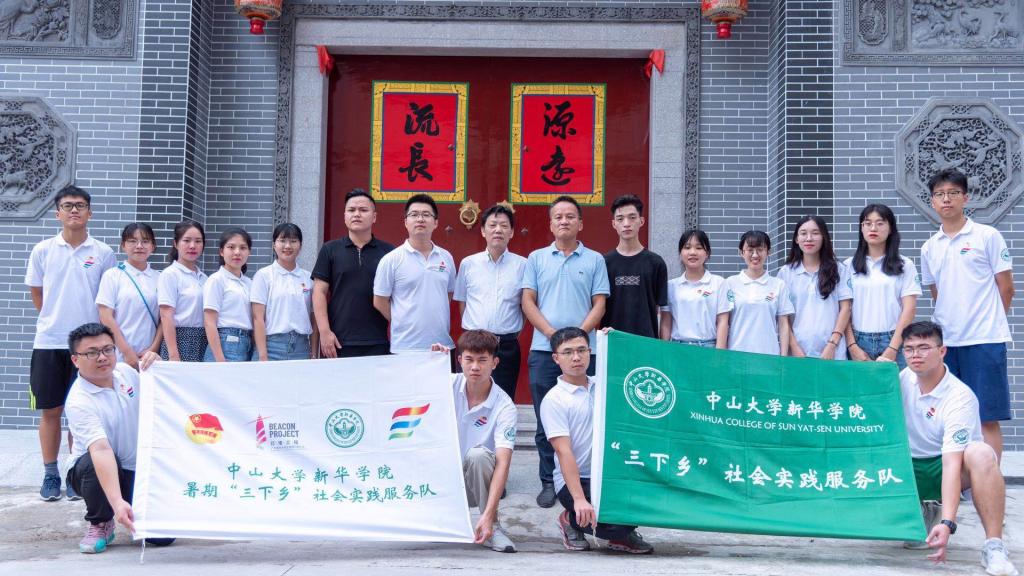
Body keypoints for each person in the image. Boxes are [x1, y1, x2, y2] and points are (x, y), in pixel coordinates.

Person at [897, 321, 1017, 576]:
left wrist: (948, 523)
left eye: (924, 348)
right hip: (908, 469)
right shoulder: (902, 379)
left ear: (942, 351)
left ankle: (994, 546)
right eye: (909, 349)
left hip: (942, 467)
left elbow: (952, 463)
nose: (915, 355)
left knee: (981, 453)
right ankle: (924, 509)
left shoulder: (960, 397)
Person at [26, 185, 116, 501]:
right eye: (67, 206)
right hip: (50, 342)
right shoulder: (42, 250)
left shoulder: (103, 252)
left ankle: (75, 472)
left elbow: (107, 298)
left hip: (89, 346)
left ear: (90, 212)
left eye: (80, 205)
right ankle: (51, 474)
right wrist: (55, 321)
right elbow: (38, 294)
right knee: (51, 410)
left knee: (83, 411)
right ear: (58, 213)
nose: (74, 210)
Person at [521, 195, 609, 508]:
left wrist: (577, 338)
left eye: (570, 216)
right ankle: (549, 480)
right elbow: (528, 301)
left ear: (580, 223)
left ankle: (589, 477)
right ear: (551, 224)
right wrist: (552, 335)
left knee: (589, 418)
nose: (564, 221)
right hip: (544, 350)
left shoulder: (595, 260)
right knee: (546, 420)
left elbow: (600, 303)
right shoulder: (536, 258)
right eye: (558, 216)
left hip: (585, 352)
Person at [920, 169, 1014, 460]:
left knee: (986, 416)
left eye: (953, 193)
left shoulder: (988, 236)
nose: (946, 199)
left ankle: (989, 479)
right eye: (939, 194)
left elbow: (1007, 288)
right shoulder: (929, 247)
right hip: (947, 343)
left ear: (965, 197)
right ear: (932, 201)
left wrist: (989, 321)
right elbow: (937, 292)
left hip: (984, 340)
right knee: (950, 414)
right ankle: (956, 479)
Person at [63, 323, 173, 553]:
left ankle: (128, 506)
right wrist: (117, 503)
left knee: (163, 537)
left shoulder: (126, 373)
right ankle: (100, 522)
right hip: (92, 469)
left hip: (133, 468)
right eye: (92, 353)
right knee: (93, 462)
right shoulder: (79, 401)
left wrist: (159, 366)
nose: (102, 357)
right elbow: (101, 450)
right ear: (75, 360)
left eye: (107, 349)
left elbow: (162, 395)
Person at [541, 327, 653, 554]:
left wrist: (617, 341)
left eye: (581, 350)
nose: (576, 357)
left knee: (647, 503)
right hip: (577, 479)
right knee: (610, 524)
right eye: (568, 352)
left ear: (590, 352)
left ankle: (621, 533)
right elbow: (564, 452)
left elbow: (636, 371)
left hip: (609, 474)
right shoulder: (554, 400)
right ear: (556, 358)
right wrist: (579, 499)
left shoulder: (604, 385)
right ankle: (570, 519)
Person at [431, 330, 518, 553]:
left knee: (478, 455)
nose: (475, 367)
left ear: (495, 363)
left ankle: (492, 526)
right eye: (469, 359)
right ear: (459, 360)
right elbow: (409, 387)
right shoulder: (445, 384)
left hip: (473, 483)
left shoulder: (504, 406)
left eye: (482, 360)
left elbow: (503, 463)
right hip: (441, 479)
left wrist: (488, 515)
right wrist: (431, 364)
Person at [453, 204, 527, 399]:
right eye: (492, 225)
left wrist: (509, 332)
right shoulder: (468, 264)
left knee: (503, 397)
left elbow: (525, 306)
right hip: (473, 344)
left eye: (504, 225)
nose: (498, 230)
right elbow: (462, 303)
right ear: (483, 231)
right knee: (468, 397)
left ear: (512, 232)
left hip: (507, 345)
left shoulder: (523, 265)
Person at [312, 189, 395, 358]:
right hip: (337, 342)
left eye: (363, 210)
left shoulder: (389, 252)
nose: (357, 214)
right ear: (345, 216)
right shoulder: (330, 249)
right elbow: (319, 292)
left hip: (378, 340)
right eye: (351, 210)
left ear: (374, 217)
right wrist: (325, 332)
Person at [373, 193, 457, 355]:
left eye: (426, 215)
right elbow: (379, 301)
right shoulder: (391, 259)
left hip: (442, 346)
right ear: (406, 222)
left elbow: (447, 294)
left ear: (436, 222)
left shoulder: (446, 257)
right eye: (414, 214)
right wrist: (402, 320)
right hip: (405, 347)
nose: (420, 219)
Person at [843, 204, 920, 369]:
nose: (873, 228)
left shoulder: (905, 264)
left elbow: (909, 309)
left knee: (896, 385)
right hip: (858, 341)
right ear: (861, 228)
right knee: (860, 386)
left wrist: (893, 348)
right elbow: (844, 310)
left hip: (894, 339)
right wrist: (852, 346)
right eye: (868, 223)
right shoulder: (848, 266)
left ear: (890, 228)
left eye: (880, 223)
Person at [778, 216, 852, 359]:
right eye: (803, 233)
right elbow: (783, 317)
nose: (809, 238)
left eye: (815, 233)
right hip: (798, 353)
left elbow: (846, 308)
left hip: (833, 352)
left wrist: (832, 345)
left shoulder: (839, 269)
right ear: (796, 239)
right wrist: (794, 347)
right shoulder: (786, 273)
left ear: (824, 237)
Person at [96, 223, 162, 370]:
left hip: (150, 358)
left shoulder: (160, 278)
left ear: (153, 246)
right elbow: (105, 316)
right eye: (132, 241)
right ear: (123, 246)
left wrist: (153, 349)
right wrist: (126, 352)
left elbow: (163, 319)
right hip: (118, 355)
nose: (139, 246)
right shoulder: (112, 275)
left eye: (145, 241)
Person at [600, 195, 667, 338]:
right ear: (614, 224)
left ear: (641, 221)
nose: (626, 223)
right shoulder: (603, 263)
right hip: (611, 339)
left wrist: (662, 345)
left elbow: (663, 309)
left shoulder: (656, 263)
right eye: (620, 219)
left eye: (632, 217)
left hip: (646, 341)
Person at [251, 223, 318, 361]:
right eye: (282, 241)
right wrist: (263, 355)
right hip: (271, 347)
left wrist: (313, 353)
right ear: (274, 245)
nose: (287, 246)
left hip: (301, 348)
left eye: (293, 241)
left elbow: (314, 318)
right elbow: (258, 318)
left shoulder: (308, 278)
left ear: (300, 246)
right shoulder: (263, 275)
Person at [723, 230, 793, 355]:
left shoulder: (778, 285)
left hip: (769, 356)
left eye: (760, 250)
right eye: (750, 250)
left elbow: (783, 325)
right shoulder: (729, 283)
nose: (755, 255)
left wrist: (783, 358)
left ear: (768, 252)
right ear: (741, 252)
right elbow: (723, 322)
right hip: (736, 355)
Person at [660, 229, 729, 348]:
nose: (692, 252)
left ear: (707, 253)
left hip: (708, 348)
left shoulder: (719, 283)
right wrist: (663, 350)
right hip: (677, 349)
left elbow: (723, 321)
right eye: (687, 247)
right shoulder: (671, 286)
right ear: (680, 253)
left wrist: (719, 354)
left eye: (699, 248)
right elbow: (666, 322)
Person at [158, 220, 208, 362]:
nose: (192, 246)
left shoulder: (204, 278)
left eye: (198, 241)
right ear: (176, 243)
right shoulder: (170, 274)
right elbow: (166, 315)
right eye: (186, 240)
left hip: (203, 340)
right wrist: (174, 355)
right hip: (179, 340)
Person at [203, 227, 254, 362]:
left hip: (246, 343)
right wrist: (220, 360)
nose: (237, 252)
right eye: (231, 247)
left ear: (249, 252)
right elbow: (209, 322)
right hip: (225, 344)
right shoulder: (216, 280)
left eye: (243, 248)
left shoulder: (249, 283)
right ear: (221, 251)